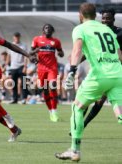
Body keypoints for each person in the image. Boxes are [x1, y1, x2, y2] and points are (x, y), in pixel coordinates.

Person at [55, 3, 122, 162]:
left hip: (100, 75)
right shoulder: (106, 29)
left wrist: (71, 71)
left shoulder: (80, 29)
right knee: (120, 114)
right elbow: (119, 55)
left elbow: (77, 50)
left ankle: (75, 150)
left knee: (77, 107)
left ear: (80, 15)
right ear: (96, 15)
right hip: (118, 74)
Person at [82, 7, 122, 129]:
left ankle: (84, 124)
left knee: (99, 101)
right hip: (96, 69)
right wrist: (76, 62)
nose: (105, 20)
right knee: (86, 98)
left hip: (112, 71)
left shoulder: (120, 33)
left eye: (108, 18)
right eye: (103, 18)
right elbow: (89, 49)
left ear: (113, 19)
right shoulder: (96, 32)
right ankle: (78, 124)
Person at [31, 24, 64, 122]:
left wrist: (60, 53)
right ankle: (50, 110)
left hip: (52, 68)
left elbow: (61, 53)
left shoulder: (56, 41)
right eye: (46, 28)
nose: (48, 30)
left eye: (49, 29)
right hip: (41, 68)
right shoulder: (37, 39)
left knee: (53, 85)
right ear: (43, 30)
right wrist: (35, 54)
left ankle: (54, 111)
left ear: (52, 31)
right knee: (44, 90)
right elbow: (30, 53)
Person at [8, 32, 28, 104]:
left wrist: (25, 66)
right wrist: (8, 66)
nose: (16, 38)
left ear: (19, 37)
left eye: (18, 37)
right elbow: (9, 56)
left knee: (24, 83)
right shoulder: (11, 45)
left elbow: (26, 56)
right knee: (14, 84)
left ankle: (24, 98)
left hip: (21, 66)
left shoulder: (23, 46)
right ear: (13, 37)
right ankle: (15, 98)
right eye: (15, 37)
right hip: (13, 67)